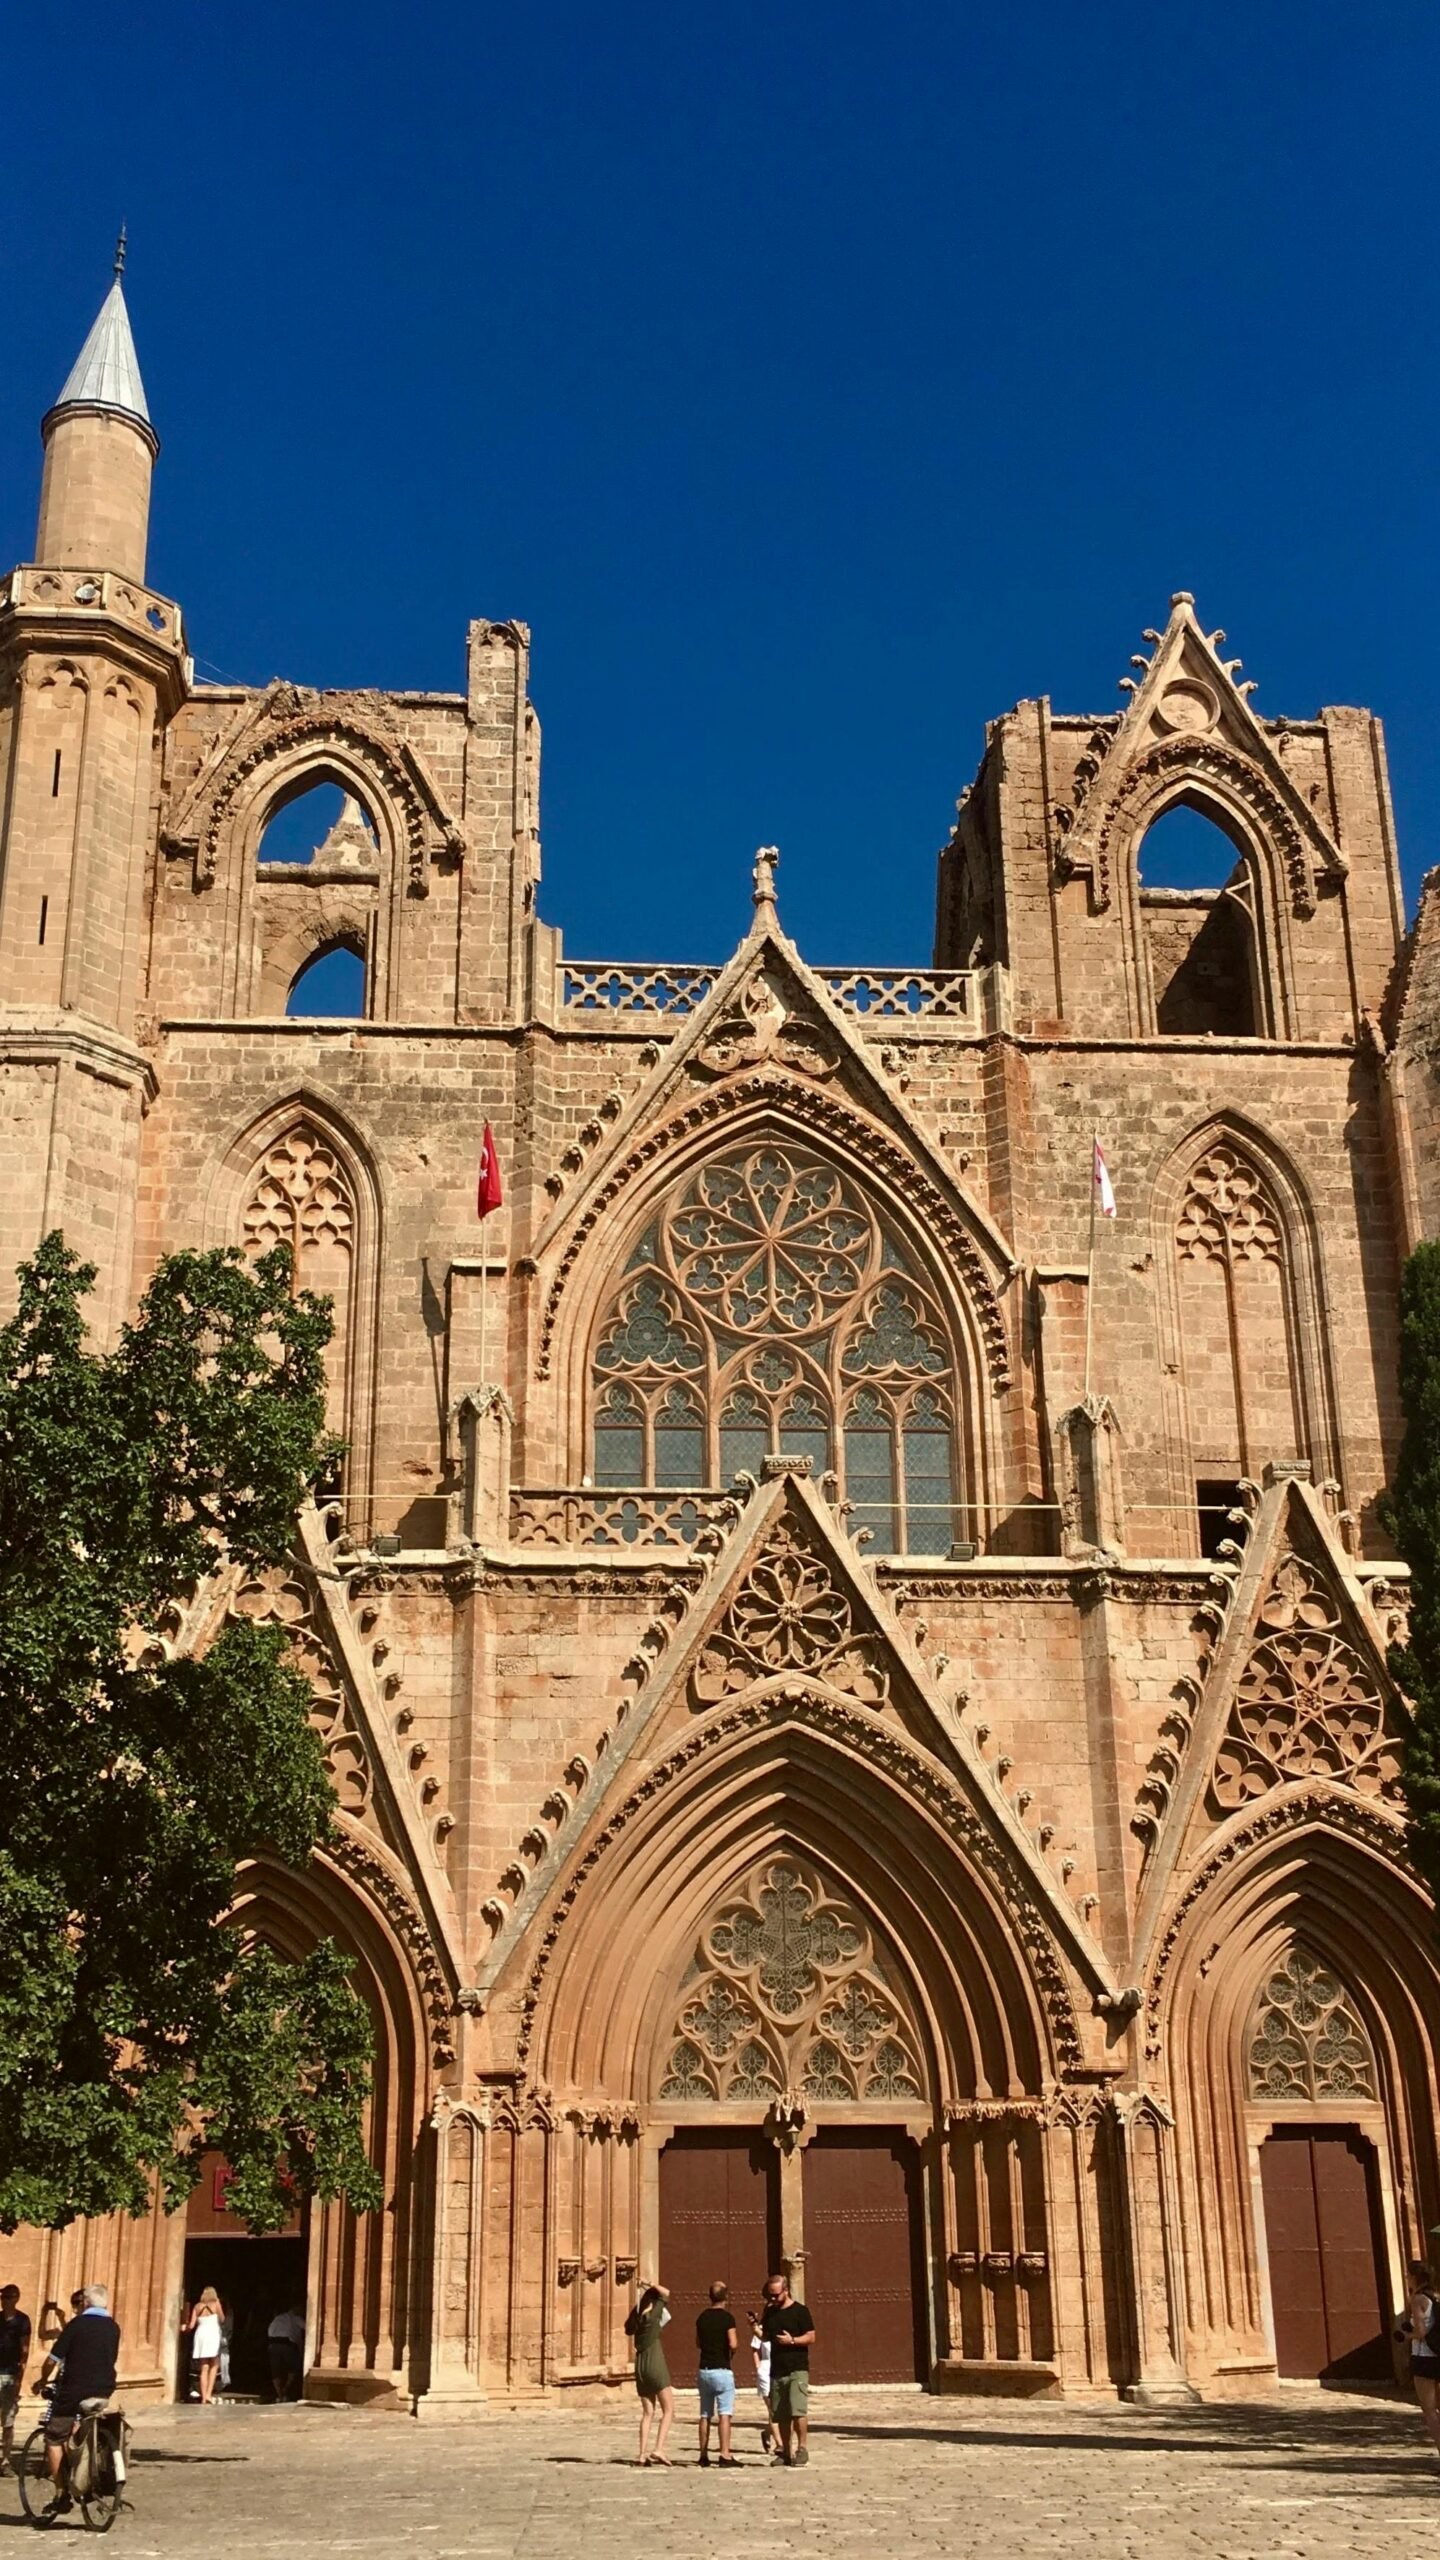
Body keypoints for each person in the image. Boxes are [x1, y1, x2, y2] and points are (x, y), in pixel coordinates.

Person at [38, 2282, 121, 2516]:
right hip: (104, 2389)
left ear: (86, 2302)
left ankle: (61, 2494)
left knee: (54, 2437)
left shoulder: (77, 2325)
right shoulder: (113, 2327)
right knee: (82, 2426)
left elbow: (53, 2358)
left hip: (75, 2389)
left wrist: (41, 2380)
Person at [761, 2269, 815, 2467]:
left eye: (776, 2294)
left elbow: (811, 2336)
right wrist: (753, 2327)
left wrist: (792, 2341)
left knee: (797, 2410)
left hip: (796, 2368)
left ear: (786, 2290)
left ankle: (802, 2449)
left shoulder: (800, 2311)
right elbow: (765, 2336)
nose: (773, 2298)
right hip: (777, 2369)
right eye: (770, 2295)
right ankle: (786, 2450)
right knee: (781, 2413)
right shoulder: (770, 2312)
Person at [624, 2282, 674, 2467]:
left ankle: (641, 2454)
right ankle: (659, 2448)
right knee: (668, 2410)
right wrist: (649, 2284)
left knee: (647, 2413)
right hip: (655, 2363)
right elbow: (666, 2293)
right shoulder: (653, 2317)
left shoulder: (637, 2320)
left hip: (640, 2365)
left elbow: (627, 2328)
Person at [1398, 2258, 1440, 2458]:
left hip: (1424, 2357)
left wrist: (1407, 2336)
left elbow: (1421, 2332)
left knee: (1430, 2411)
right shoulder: (1437, 2296)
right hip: (1439, 2354)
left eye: (1408, 2275)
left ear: (1414, 2277)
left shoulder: (1417, 2299)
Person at [695, 2280, 738, 2467]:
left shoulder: (702, 2317)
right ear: (726, 2297)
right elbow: (733, 2343)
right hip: (722, 2369)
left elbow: (697, 2342)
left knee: (705, 2414)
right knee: (724, 2414)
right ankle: (724, 2453)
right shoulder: (727, 2318)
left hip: (704, 2370)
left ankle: (703, 2454)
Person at [0, 2284, 32, 2473]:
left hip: (10, 2373)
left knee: (8, 2420)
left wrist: (20, 2376)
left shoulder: (22, 2321)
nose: (4, 2301)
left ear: (16, 2298)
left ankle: (5, 2460)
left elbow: (24, 2351)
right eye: (3, 2297)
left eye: (8, 2297)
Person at [186, 2287, 225, 2405]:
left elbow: (191, 2325)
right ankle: (208, 2394)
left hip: (201, 2335)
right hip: (212, 2333)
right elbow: (222, 2319)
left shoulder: (197, 2306)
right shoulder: (216, 2303)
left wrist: (184, 2327)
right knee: (214, 2364)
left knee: (204, 2366)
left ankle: (203, 2397)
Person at [749, 2305, 774, 2457]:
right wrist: (758, 2366)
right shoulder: (761, 2328)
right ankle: (779, 2443)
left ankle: (768, 2432)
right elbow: (754, 2348)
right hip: (766, 2370)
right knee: (773, 2409)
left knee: (780, 2410)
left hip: (779, 2369)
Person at [267, 2304, 306, 2402]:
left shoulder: (278, 2318)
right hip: (287, 2344)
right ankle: (285, 2390)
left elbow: (269, 2331)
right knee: (293, 2368)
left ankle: (279, 2393)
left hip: (273, 2344)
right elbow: (307, 2328)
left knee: (276, 2370)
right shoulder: (296, 2318)